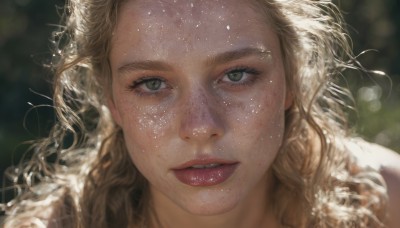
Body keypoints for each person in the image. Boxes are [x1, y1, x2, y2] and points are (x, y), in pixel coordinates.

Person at [2, 0, 400, 227]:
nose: (200, 127)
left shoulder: (381, 205)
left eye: (237, 74)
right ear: (112, 100)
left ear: (292, 80)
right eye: (152, 84)